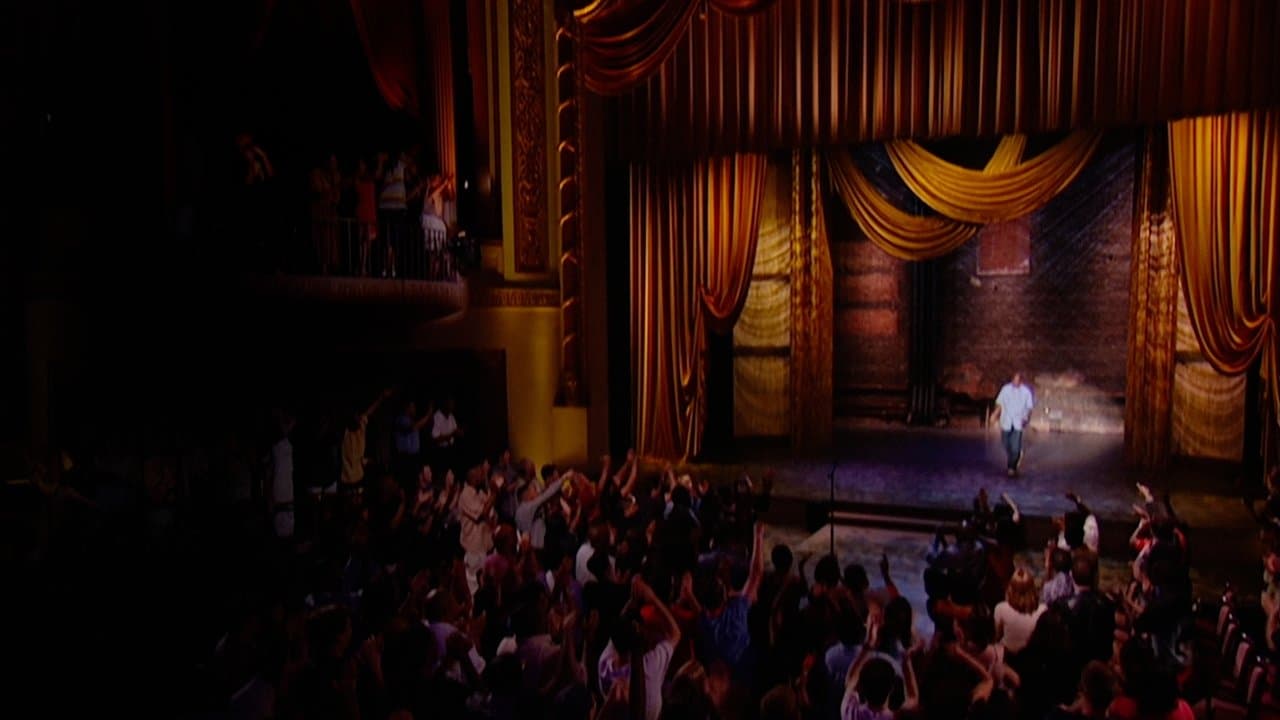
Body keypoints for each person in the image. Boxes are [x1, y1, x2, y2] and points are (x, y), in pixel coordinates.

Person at [989, 372, 1034, 477]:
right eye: (1014, 380)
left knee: (1015, 448)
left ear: (1021, 381)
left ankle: (1011, 467)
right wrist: (994, 415)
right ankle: (1015, 457)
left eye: (1018, 380)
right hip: (1006, 421)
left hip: (1018, 422)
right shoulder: (1005, 389)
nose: (1016, 382)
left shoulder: (1026, 392)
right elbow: (999, 403)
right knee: (1006, 444)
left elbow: (1029, 407)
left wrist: (1026, 418)